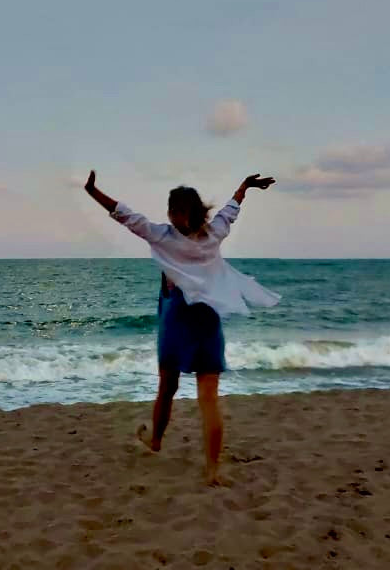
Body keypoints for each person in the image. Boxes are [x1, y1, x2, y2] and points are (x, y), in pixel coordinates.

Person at [84, 169, 280, 484]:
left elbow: (125, 216)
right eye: (172, 210)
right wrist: (245, 185)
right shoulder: (214, 233)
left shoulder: (164, 236)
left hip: (177, 314)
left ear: (183, 212)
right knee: (203, 396)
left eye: (175, 210)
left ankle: (158, 442)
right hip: (207, 317)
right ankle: (211, 469)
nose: (172, 216)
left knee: (171, 387)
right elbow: (231, 209)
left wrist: (93, 192)